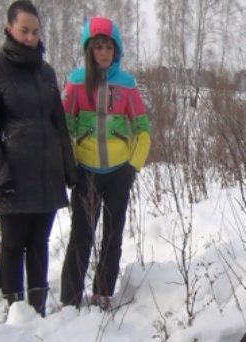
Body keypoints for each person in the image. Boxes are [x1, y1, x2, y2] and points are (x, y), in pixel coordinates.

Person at [0, 0, 77, 316]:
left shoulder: (47, 72)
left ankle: (37, 309)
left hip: (46, 173)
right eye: (24, 30)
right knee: (13, 245)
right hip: (12, 174)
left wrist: (69, 168)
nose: (30, 37)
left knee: (39, 242)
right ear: (10, 28)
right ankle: (15, 312)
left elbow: (59, 124)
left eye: (35, 31)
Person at [60, 16, 151, 309]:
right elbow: (64, 127)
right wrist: (70, 165)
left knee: (112, 235)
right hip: (85, 173)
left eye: (108, 47)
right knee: (81, 236)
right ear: (89, 49)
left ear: (116, 51)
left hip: (117, 174)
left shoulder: (127, 84)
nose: (103, 53)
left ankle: (103, 293)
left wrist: (131, 167)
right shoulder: (75, 83)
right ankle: (70, 298)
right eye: (97, 47)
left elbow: (143, 131)